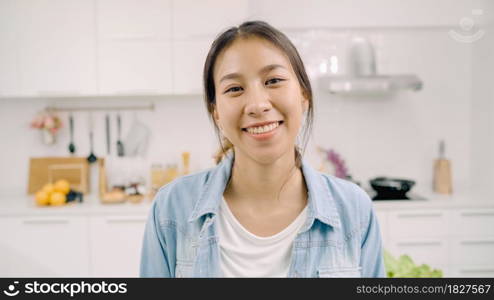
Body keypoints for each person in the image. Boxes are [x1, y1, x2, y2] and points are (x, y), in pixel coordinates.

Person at [140, 21, 385, 278]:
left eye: (273, 80)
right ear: (216, 113)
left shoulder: (354, 210)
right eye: (234, 89)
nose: (257, 105)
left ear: (303, 96)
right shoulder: (171, 209)